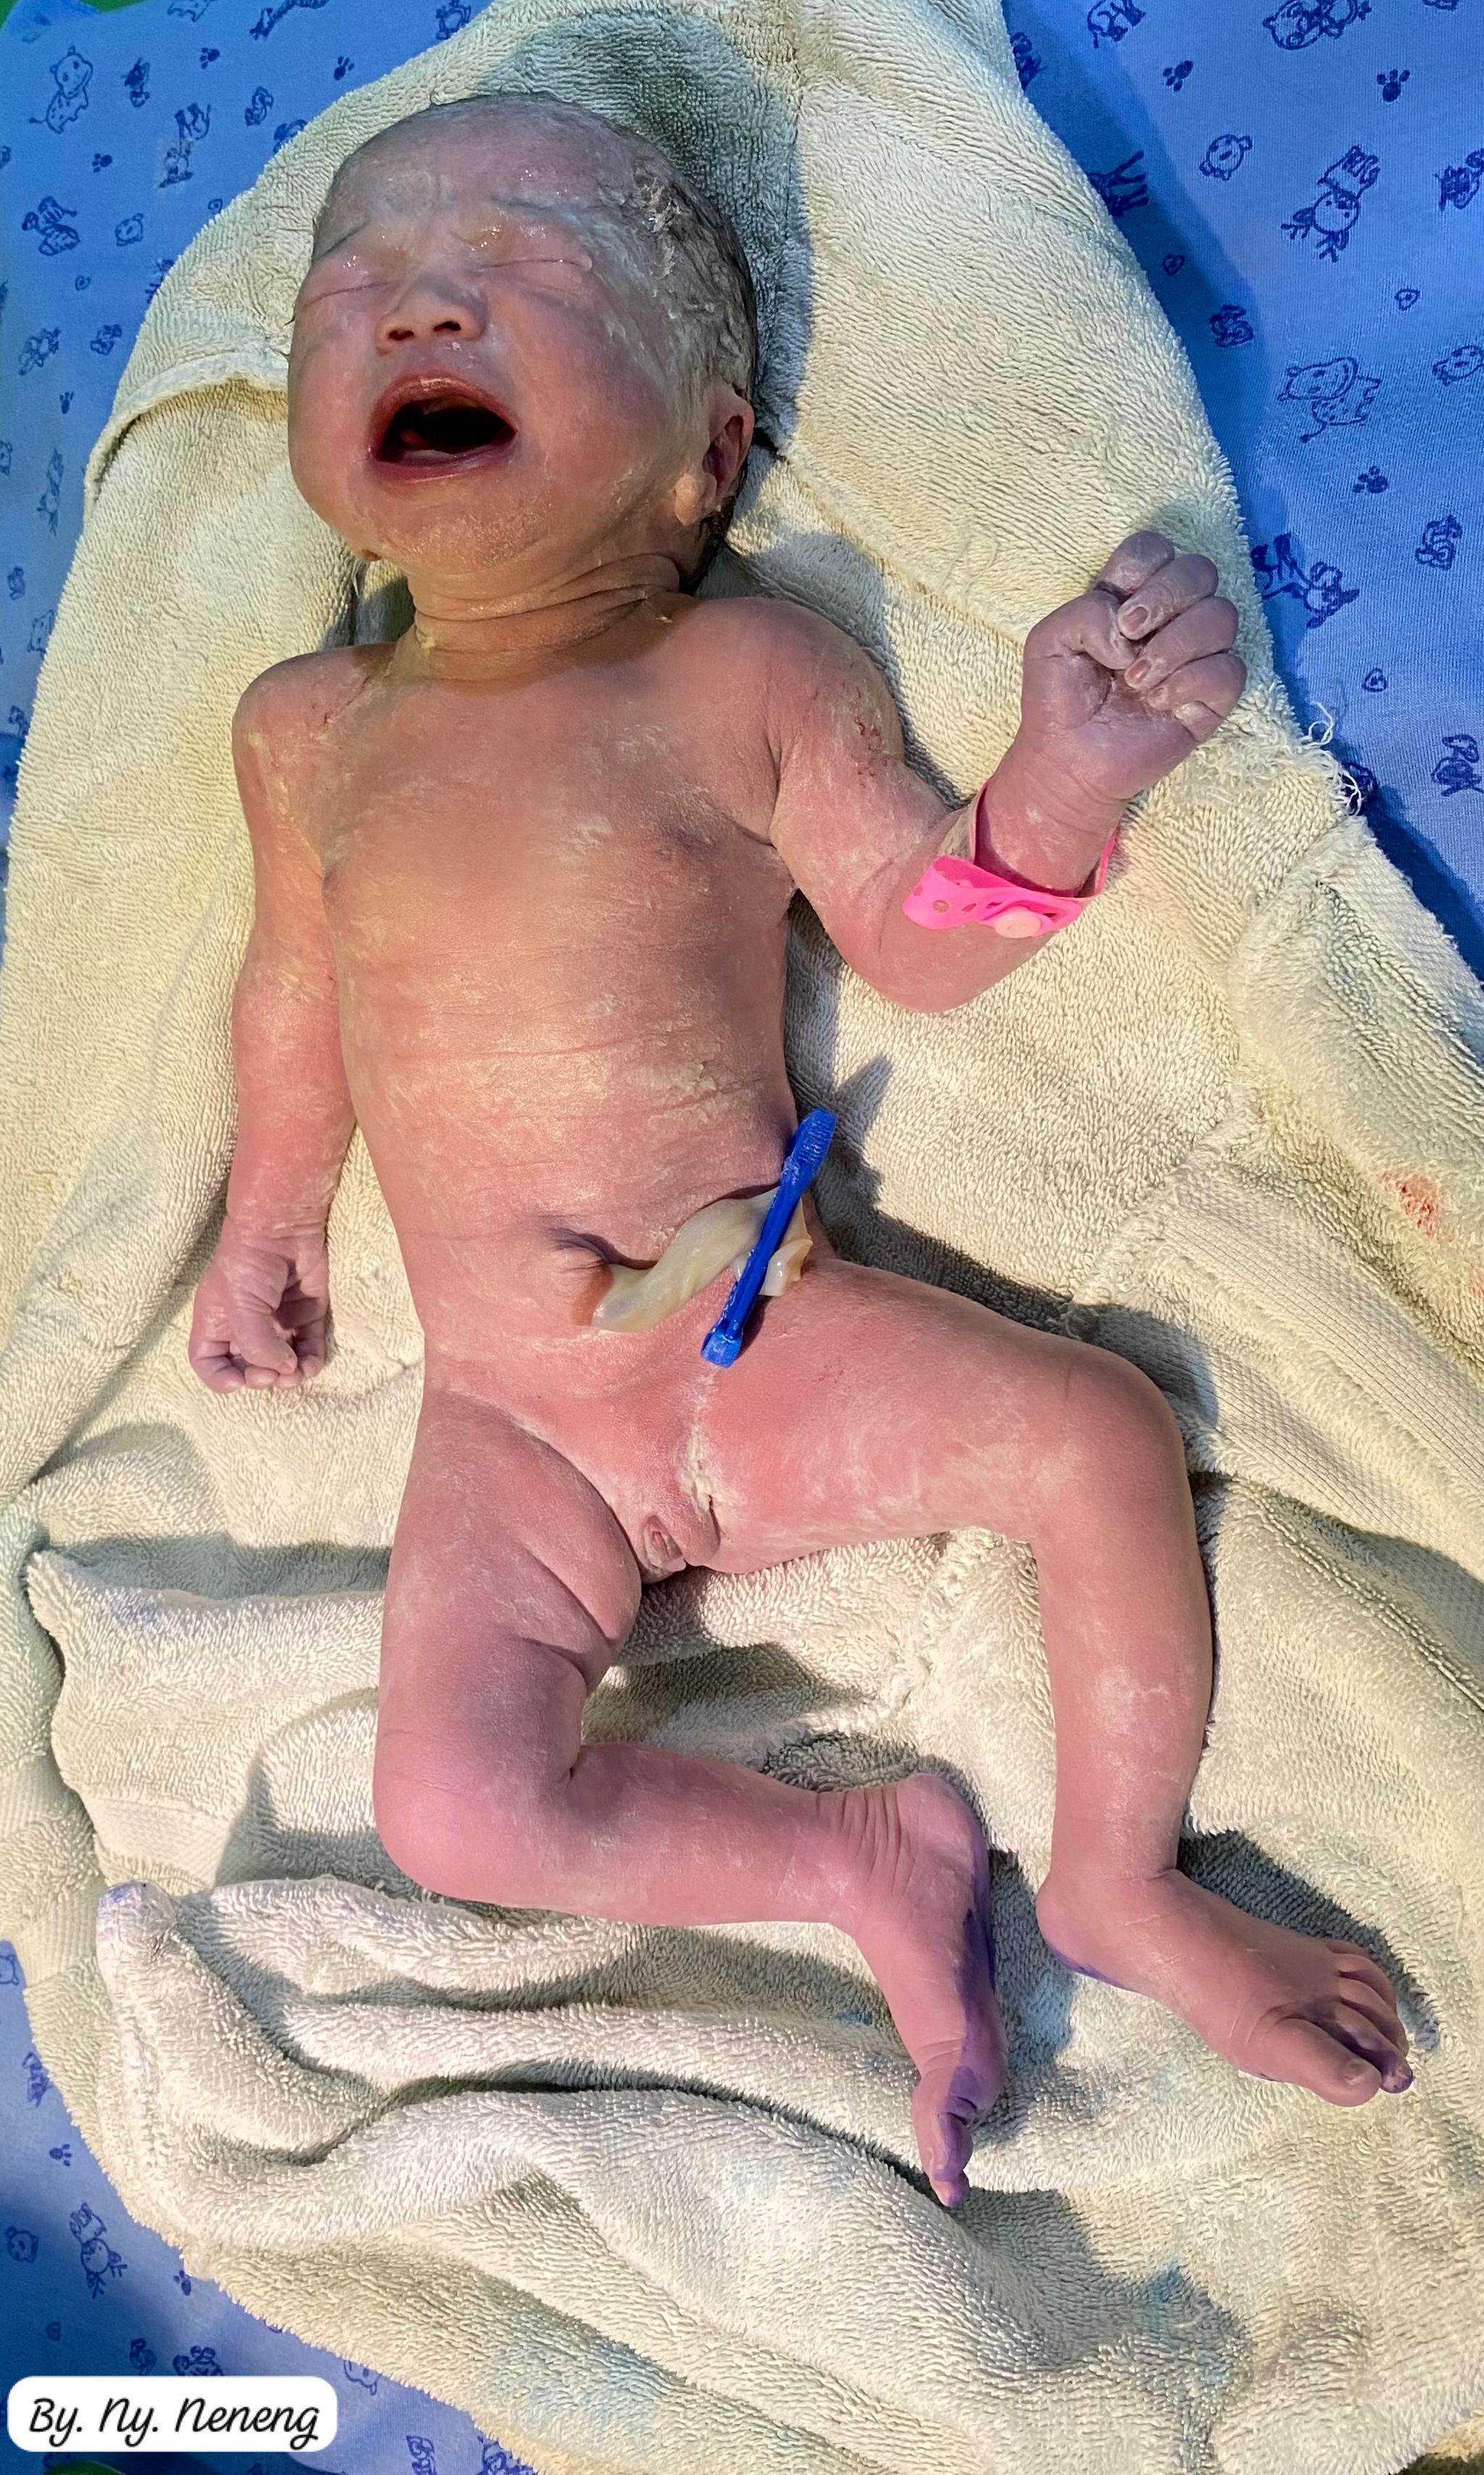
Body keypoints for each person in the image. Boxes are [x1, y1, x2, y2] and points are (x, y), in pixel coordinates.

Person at [188, 93, 1409, 2210]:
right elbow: (294, 992)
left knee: (1097, 1437)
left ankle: (1119, 1879)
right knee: (450, 1811)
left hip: (757, 1339)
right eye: (348, 290)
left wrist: (1057, 786)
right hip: (506, 1421)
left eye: (520, 269)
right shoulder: (312, 729)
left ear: (709, 453)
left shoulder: (738, 669)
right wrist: (266, 1219)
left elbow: (913, 939)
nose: (417, 310)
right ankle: (850, 1856)